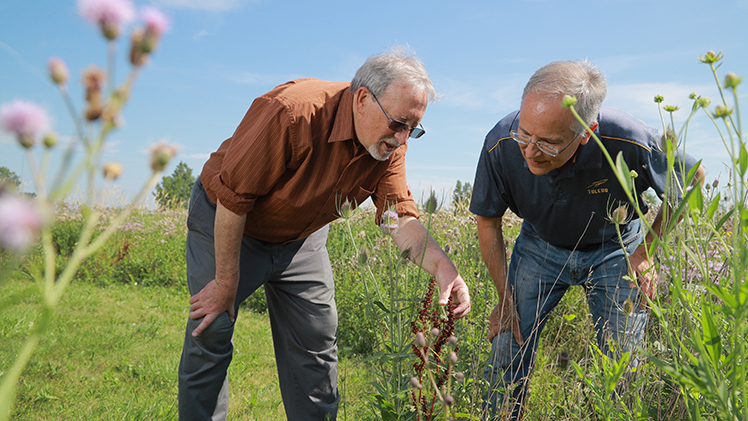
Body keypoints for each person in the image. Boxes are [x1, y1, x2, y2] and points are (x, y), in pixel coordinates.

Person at [177, 46, 472, 421]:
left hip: (302, 237)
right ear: (363, 99)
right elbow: (235, 198)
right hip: (229, 220)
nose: (403, 139)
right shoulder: (293, 112)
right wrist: (225, 282)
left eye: (414, 129)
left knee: (316, 339)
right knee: (213, 329)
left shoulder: (390, 145)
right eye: (399, 124)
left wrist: (445, 269)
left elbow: (399, 218)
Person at [469, 60, 704, 420]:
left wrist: (646, 252)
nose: (529, 151)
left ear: (587, 131)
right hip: (539, 245)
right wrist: (504, 297)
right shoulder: (501, 141)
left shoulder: (628, 137)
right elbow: (488, 221)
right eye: (525, 133)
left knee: (623, 364)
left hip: (617, 250)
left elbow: (692, 179)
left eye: (548, 143)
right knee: (508, 341)